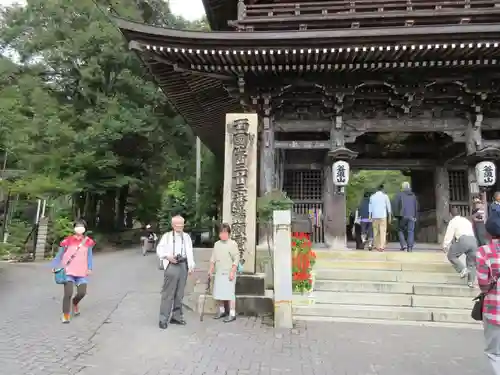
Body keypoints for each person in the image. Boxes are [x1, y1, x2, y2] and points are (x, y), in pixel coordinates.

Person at [51, 219, 95, 324]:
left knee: (82, 293)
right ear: (74, 228)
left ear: (84, 229)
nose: (79, 228)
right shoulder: (67, 241)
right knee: (68, 293)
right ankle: (65, 314)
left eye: (82, 226)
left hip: (81, 271)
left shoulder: (88, 242)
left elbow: (89, 256)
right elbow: (60, 254)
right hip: (68, 271)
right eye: (77, 226)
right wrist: (54, 265)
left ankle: (75, 303)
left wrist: (90, 268)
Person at [156, 215, 195, 329]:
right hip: (172, 265)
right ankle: (163, 319)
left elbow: (190, 251)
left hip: (183, 265)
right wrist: (168, 257)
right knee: (168, 293)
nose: (179, 226)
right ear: (173, 225)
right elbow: (159, 249)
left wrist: (191, 266)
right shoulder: (167, 236)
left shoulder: (186, 237)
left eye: (181, 224)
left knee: (179, 293)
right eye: (177, 224)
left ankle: (176, 317)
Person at [477, 214, 500, 374]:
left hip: (495, 310)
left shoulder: (484, 252)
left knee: (494, 352)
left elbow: (483, 284)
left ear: (488, 233)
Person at [209, 223, 239, 323]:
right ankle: (221, 311)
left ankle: (232, 313)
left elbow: (236, 259)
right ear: (219, 234)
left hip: (229, 272)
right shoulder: (217, 244)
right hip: (219, 271)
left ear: (229, 234)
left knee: (230, 293)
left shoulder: (232, 244)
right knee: (219, 292)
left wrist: (232, 272)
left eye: (225, 232)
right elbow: (213, 258)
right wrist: (211, 269)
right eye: (221, 232)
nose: (223, 235)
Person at [442, 207, 477, 287]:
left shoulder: (453, 221)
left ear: (451, 214)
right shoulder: (466, 221)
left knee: (451, 255)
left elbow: (449, 234)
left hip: (463, 239)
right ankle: (471, 282)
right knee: (471, 263)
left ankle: (462, 269)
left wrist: (445, 245)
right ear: (460, 213)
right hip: (473, 240)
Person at [393, 181, 418, 252]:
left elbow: (396, 206)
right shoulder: (413, 195)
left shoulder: (399, 194)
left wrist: (396, 216)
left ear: (403, 187)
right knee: (411, 231)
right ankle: (409, 248)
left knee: (400, 230)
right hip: (412, 216)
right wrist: (415, 216)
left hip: (403, 216)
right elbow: (416, 206)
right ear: (409, 187)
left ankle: (403, 245)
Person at [369, 185, 392, 252]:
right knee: (383, 231)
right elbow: (389, 207)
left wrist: (369, 216)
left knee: (375, 231)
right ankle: (382, 246)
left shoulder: (372, 196)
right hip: (383, 216)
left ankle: (377, 246)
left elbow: (370, 207)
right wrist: (390, 217)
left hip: (374, 216)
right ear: (382, 189)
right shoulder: (385, 196)